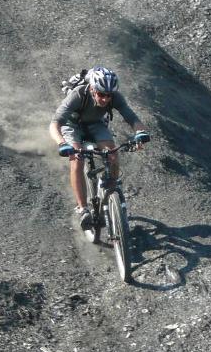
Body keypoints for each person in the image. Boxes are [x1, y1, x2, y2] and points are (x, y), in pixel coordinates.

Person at [49, 66, 148, 230]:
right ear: (93, 89)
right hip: (72, 125)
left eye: (108, 95)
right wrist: (62, 143)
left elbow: (132, 117)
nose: (105, 99)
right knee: (77, 159)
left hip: (95, 124)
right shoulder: (78, 94)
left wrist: (140, 133)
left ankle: (111, 191)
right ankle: (82, 209)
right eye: (101, 94)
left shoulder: (114, 96)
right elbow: (55, 124)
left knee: (112, 153)